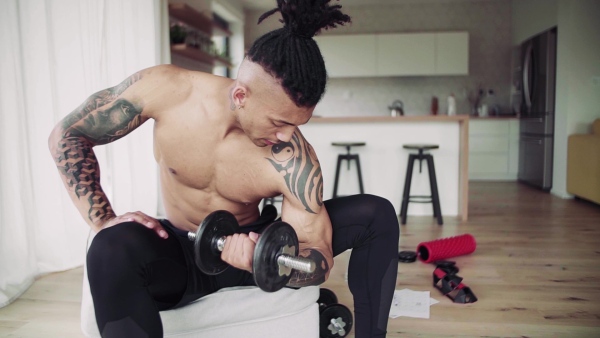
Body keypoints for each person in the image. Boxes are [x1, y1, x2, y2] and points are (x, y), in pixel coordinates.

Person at [48, 0, 399, 337]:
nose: (288, 136)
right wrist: (102, 219)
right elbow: (68, 135)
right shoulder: (168, 91)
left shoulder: (294, 159)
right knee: (110, 247)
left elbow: (319, 257)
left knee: (376, 214)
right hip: (184, 254)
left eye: (298, 124)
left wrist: (269, 259)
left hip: (258, 249)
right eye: (279, 122)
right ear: (241, 96)